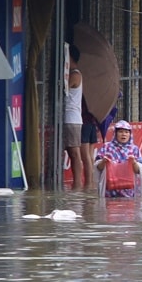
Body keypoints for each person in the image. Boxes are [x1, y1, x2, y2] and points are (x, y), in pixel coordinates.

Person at [95, 120, 142, 198]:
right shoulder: (107, 147)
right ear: (115, 133)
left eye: (126, 132)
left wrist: (133, 163)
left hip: (129, 194)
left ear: (130, 134)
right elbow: (98, 168)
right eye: (120, 131)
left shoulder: (134, 149)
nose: (123, 134)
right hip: (109, 193)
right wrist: (104, 161)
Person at [64, 45, 87, 189]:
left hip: (72, 118)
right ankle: (77, 183)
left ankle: (78, 183)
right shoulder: (74, 73)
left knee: (74, 152)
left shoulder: (75, 75)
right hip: (70, 118)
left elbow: (63, 87)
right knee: (72, 151)